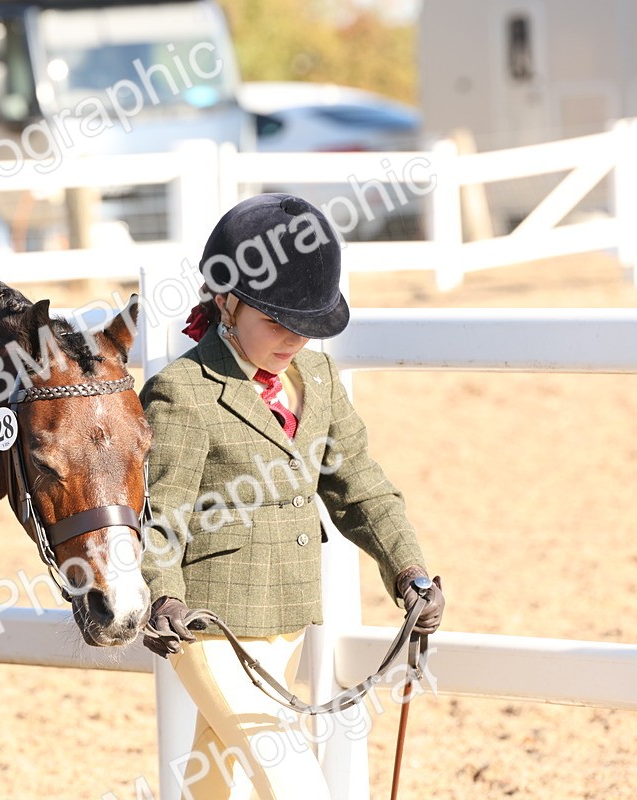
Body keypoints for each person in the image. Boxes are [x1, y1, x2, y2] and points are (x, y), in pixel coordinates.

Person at [139, 193, 445, 799]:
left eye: (307, 328)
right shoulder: (183, 392)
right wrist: (163, 594)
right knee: (292, 774)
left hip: (288, 615)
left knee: (215, 777)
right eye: (277, 323)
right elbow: (161, 515)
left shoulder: (321, 382)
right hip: (208, 626)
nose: (294, 342)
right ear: (226, 301)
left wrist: (407, 569)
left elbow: (360, 488)